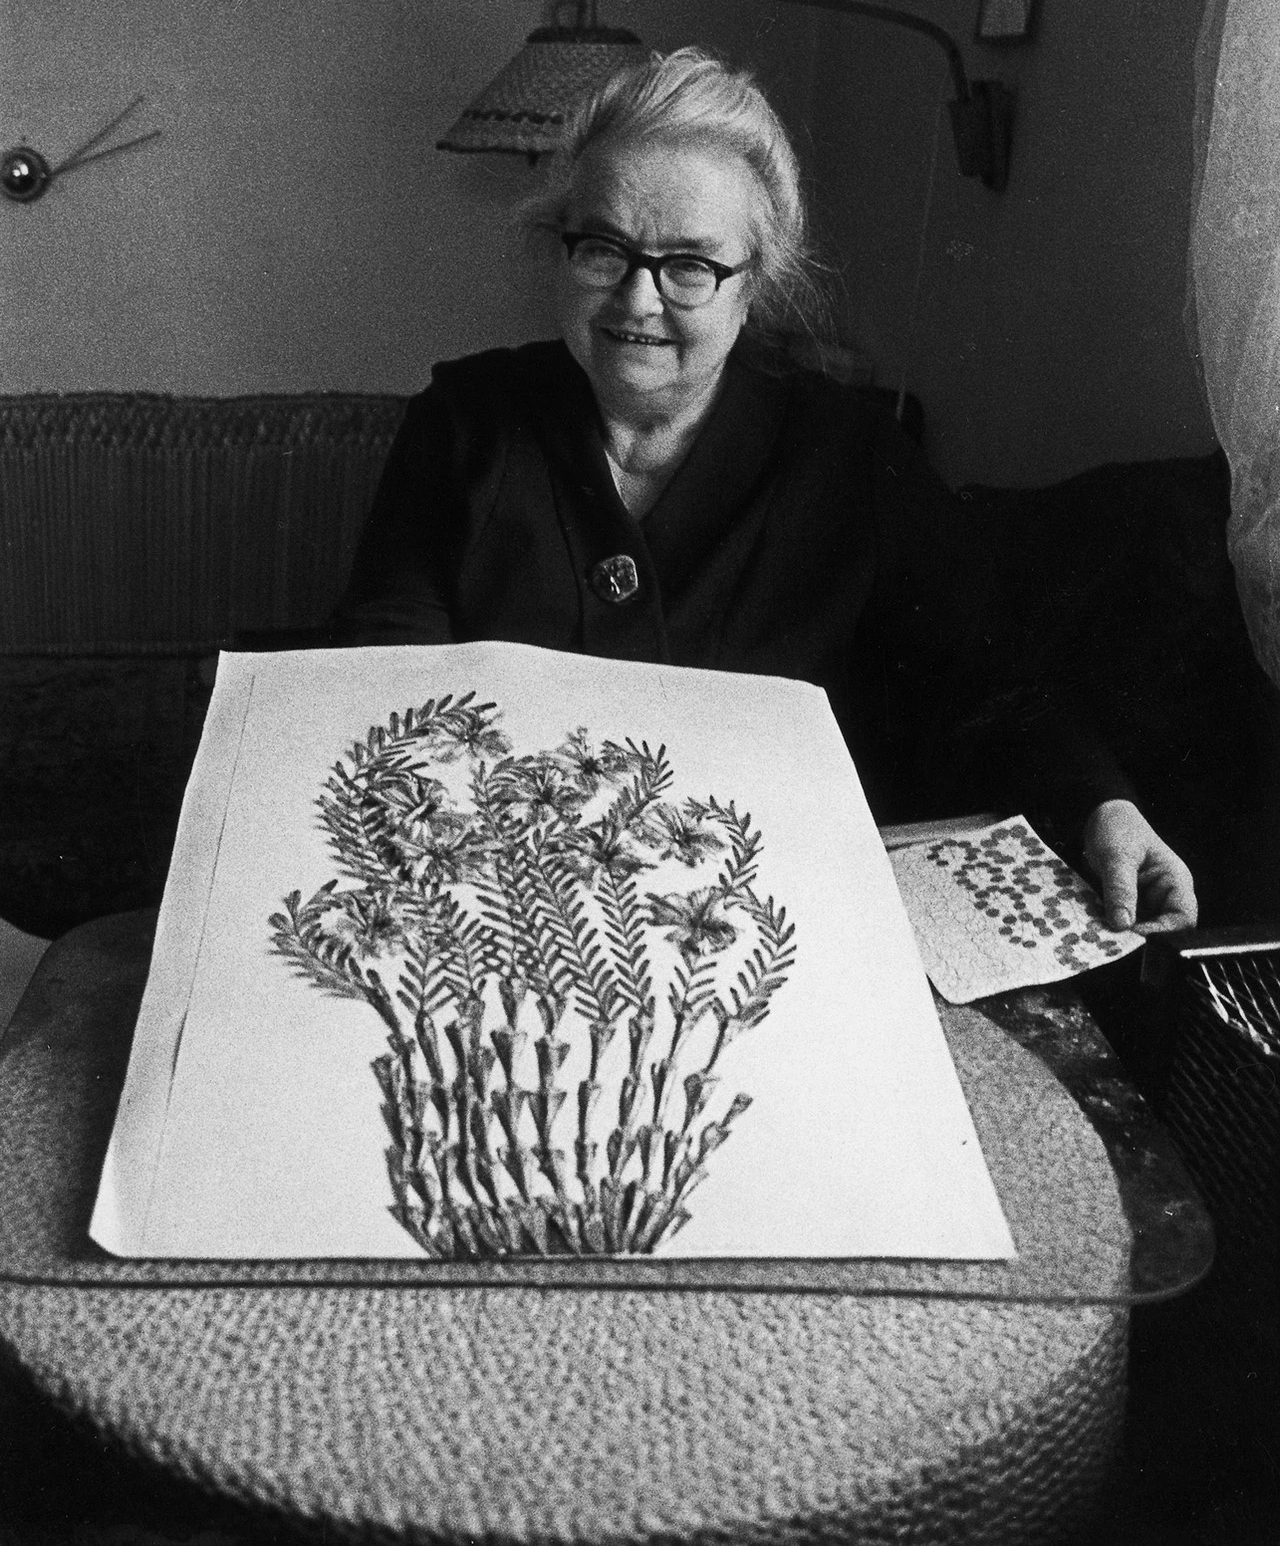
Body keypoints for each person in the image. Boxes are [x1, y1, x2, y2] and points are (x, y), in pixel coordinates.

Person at [336, 48, 1197, 934]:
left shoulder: (852, 456)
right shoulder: (463, 422)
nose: (638, 299)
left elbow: (986, 680)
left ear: (757, 282)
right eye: (603, 249)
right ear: (561, 248)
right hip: (504, 906)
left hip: (762, 924)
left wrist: (1102, 804)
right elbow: (381, 681)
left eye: (690, 266)